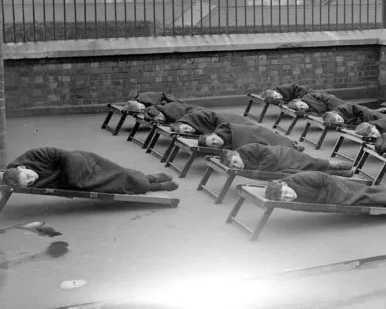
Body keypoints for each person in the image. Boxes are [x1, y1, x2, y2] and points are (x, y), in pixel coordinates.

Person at [1, 147, 179, 194]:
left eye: (28, 176)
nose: (34, 179)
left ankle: (149, 178)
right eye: (30, 183)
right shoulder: (16, 176)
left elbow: (64, 155)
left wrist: (74, 180)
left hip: (81, 162)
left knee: (119, 171)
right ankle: (155, 185)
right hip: (75, 180)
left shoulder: (34, 155)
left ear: (22, 167)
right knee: (114, 182)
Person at [264, 171, 386, 207]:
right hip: (327, 196)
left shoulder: (299, 179)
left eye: (287, 193)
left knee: (360, 195)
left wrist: (338, 197)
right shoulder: (291, 194)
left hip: (333, 186)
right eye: (285, 199)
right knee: (362, 197)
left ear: (285, 185)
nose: (290, 197)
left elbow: (323, 178)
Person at [220, 144, 353, 177]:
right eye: (233, 167)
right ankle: (344, 174)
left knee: (314, 163)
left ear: (236, 154)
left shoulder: (247, 149)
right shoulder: (243, 168)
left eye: (235, 162)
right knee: (309, 172)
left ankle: (342, 165)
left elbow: (269, 154)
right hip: (280, 167)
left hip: (284, 155)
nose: (237, 166)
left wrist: (261, 171)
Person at [198, 122, 305, 151]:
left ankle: (291, 145)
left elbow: (244, 129)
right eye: (212, 145)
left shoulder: (226, 129)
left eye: (213, 139)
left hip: (255, 132)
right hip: (255, 142)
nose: (215, 142)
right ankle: (290, 147)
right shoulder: (226, 148)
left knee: (267, 136)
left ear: (214, 134)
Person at [171, 109, 253, 135]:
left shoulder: (197, 117)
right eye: (186, 132)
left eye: (185, 128)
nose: (188, 130)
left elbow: (217, 117)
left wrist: (222, 131)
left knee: (250, 129)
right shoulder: (195, 127)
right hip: (224, 125)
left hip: (228, 119)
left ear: (186, 123)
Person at [322, 103, 386, 127]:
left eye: (339, 119)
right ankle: (377, 111)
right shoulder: (336, 118)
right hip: (357, 119)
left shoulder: (343, 109)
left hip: (363, 114)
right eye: (337, 123)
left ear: (336, 113)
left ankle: (377, 111)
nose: (340, 122)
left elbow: (361, 111)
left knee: (378, 118)